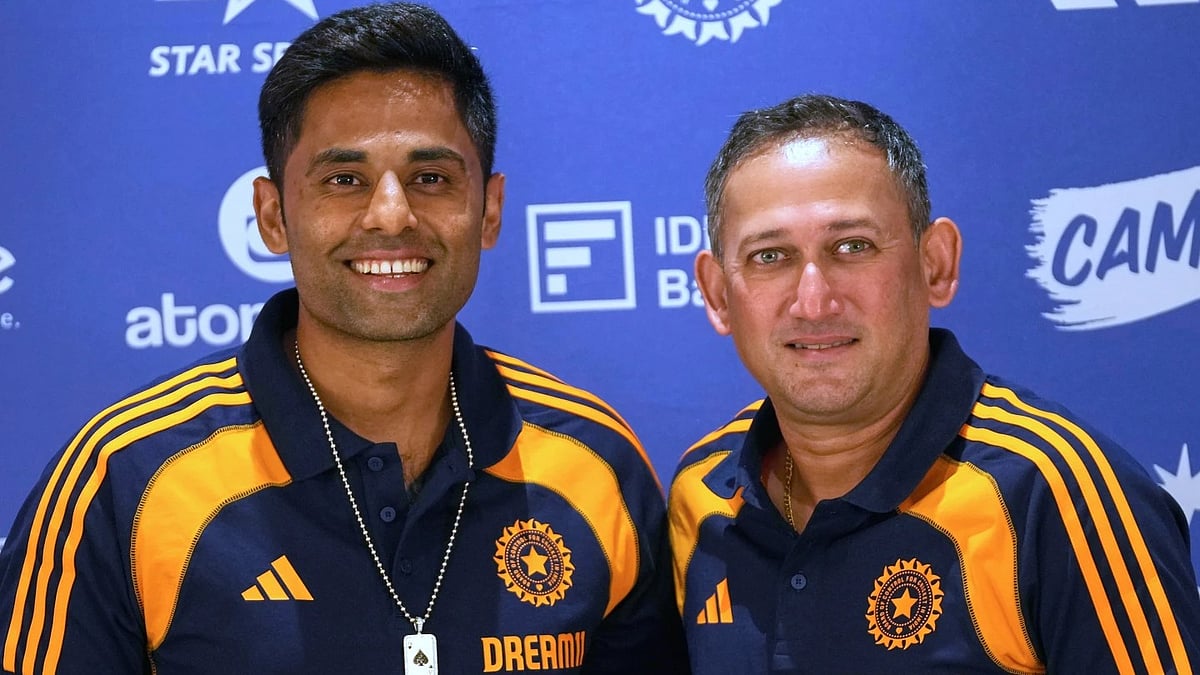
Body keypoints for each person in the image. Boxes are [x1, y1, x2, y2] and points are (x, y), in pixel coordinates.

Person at [0, 4, 686, 673]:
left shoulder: (597, 462)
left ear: (490, 210)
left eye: (431, 178)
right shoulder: (123, 479)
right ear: (272, 216)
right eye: (345, 180)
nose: (391, 215)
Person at [669, 93, 1200, 673]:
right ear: (719, 294)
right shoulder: (701, 493)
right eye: (770, 256)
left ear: (936, 265)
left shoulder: (1059, 493)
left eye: (853, 247)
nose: (814, 301)